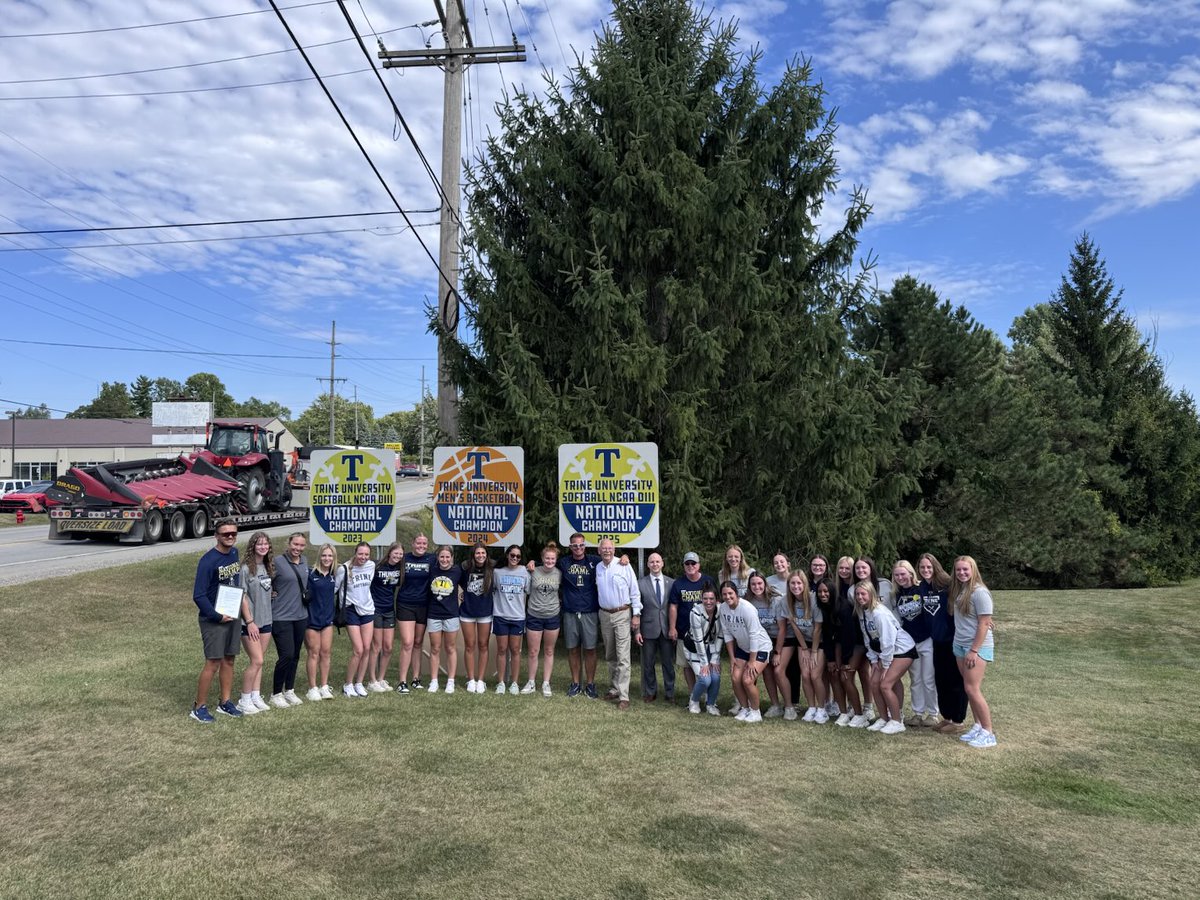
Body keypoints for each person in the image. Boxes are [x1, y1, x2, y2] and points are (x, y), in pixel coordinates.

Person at [189, 518, 243, 722]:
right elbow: (198, 595)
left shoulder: (235, 553)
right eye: (225, 534)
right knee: (213, 662)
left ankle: (225, 702)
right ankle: (199, 707)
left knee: (229, 659)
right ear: (216, 536)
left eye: (233, 534)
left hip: (232, 613)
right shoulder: (208, 561)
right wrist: (217, 616)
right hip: (214, 618)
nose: (230, 537)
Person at [856, 580, 917, 734]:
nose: (860, 597)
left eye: (863, 594)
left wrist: (886, 664)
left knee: (885, 684)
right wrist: (874, 660)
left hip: (902, 649)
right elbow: (868, 637)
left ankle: (897, 720)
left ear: (871, 595)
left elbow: (888, 640)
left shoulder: (879, 612)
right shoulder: (862, 611)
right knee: (874, 683)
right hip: (883, 653)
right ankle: (884, 718)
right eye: (857, 594)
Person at [950, 556, 997, 748]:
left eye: (965, 570)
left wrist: (974, 650)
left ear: (973, 570)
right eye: (958, 570)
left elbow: (984, 622)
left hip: (975, 648)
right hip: (960, 645)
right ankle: (978, 725)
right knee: (968, 687)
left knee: (972, 688)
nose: (961, 573)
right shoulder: (961, 590)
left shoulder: (980, 592)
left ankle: (988, 732)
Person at [918, 552, 967, 734]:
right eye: (922, 567)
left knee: (956, 681)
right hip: (936, 640)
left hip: (953, 639)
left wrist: (984, 619)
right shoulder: (923, 586)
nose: (925, 570)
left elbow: (968, 598)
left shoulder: (948, 584)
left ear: (935, 567)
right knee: (941, 680)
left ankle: (958, 720)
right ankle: (946, 717)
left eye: (929, 567)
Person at [596, 538, 641, 710]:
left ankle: (624, 696)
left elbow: (635, 592)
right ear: (599, 551)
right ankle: (614, 688)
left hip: (622, 613)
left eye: (609, 548)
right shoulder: (598, 567)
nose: (607, 551)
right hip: (605, 615)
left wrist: (636, 614)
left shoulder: (624, 565)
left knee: (623, 656)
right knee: (610, 654)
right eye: (603, 548)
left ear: (614, 550)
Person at [719, 580, 773, 723]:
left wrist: (752, 661)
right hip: (743, 648)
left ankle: (756, 712)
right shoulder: (723, 609)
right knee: (736, 678)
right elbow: (727, 634)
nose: (728, 597)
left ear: (736, 593)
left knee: (747, 680)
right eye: (724, 594)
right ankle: (744, 708)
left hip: (760, 647)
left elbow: (754, 635)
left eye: (730, 593)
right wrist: (731, 657)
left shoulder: (747, 608)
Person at [893, 559, 937, 727]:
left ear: (911, 573)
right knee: (915, 679)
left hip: (927, 639)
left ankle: (933, 714)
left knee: (928, 678)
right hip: (910, 643)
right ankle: (918, 713)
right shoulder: (896, 594)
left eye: (903, 574)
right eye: (897, 575)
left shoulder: (922, 588)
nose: (900, 577)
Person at [775, 570, 823, 723]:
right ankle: (811, 707)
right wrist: (804, 649)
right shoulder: (785, 601)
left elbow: (817, 628)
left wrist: (813, 651)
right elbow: (794, 626)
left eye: (798, 583)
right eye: (792, 583)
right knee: (805, 674)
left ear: (804, 584)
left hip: (819, 641)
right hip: (803, 642)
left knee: (814, 675)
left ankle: (821, 709)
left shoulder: (814, 599)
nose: (795, 586)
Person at [667, 552, 715, 701]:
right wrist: (672, 627)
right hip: (684, 632)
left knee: (705, 663)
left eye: (693, 563)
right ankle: (692, 694)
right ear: (684, 566)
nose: (690, 566)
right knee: (687, 666)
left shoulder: (707, 581)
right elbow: (673, 606)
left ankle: (708, 695)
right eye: (687, 564)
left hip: (706, 632)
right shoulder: (678, 583)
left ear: (698, 565)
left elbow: (715, 604)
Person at [270, 532, 310, 708]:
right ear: (289, 543)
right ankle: (276, 693)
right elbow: (264, 580)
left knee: (295, 655)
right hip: (281, 616)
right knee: (286, 654)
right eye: (295, 544)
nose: (298, 548)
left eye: (301, 545)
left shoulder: (305, 561)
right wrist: (271, 592)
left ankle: (290, 690)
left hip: (301, 615)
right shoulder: (277, 561)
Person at [237, 532, 275, 714]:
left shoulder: (268, 566)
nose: (262, 547)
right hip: (250, 623)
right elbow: (242, 596)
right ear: (253, 546)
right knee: (256, 660)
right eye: (259, 544)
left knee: (261, 660)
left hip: (266, 619)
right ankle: (243, 700)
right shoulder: (245, 568)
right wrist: (250, 621)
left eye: (265, 544)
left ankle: (255, 695)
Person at [395, 534, 437, 693]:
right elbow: (387, 564)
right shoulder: (404, 558)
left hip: (424, 605)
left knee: (418, 642)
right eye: (418, 542)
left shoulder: (432, 559)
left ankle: (416, 679)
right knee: (407, 642)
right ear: (412, 543)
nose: (421, 545)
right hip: (405, 604)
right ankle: (402, 681)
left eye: (424, 543)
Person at [336, 542, 375, 698]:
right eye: (360, 554)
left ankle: (359, 683)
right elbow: (334, 589)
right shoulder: (343, 569)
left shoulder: (371, 565)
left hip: (367, 610)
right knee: (358, 649)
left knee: (366, 648)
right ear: (355, 553)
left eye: (366, 554)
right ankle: (348, 684)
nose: (363, 557)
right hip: (351, 610)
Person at [525, 541, 563, 696]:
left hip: (552, 615)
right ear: (542, 558)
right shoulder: (533, 571)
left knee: (549, 650)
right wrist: (530, 565)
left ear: (556, 560)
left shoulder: (559, 573)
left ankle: (546, 683)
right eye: (547, 558)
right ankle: (531, 682)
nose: (550, 561)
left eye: (552, 559)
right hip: (534, 614)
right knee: (533, 651)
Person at [744, 572, 785, 718]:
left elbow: (782, 628)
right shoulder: (747, 601)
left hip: (776, 638)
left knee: (777, 671)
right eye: (753, 584)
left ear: (765, 584)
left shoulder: (776, 600)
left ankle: (785, 704)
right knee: (764, 671)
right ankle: (770, 705)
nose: (757, 587)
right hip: (759, 641)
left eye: (760, 583)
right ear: (749, 586)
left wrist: (778, 652)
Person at [637, 552, 675, 703]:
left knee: (668, 664)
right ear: (647, 564)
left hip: (666, 629)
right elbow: (637, 609)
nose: (655, 564)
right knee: (648, 663)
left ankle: (670, 693)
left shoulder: (672, 583)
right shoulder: (641, 583)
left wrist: (674, 628)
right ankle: (650, 691)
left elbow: (674, 607)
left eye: (657, 561)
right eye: (652, 562)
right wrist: (637, 631)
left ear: (662, 563)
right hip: (648, 629)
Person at [426, 546, 463, 693]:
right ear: (438, 557)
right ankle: (434, 681)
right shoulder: (432, 570)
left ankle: (450, 681)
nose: (445, 560)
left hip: (451, 614)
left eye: (447, 557)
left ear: (452, 558)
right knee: (435, 648)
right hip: (434, 614)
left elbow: (467, 584)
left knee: (450, 648)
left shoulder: (457, 571)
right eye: (442, 557)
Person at [367, 541, 404, 692]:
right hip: (375, 610)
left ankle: (381, 678)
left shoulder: (400, 569)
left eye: (401, 554)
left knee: (388, 647)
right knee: (376, 646)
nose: (398, 556)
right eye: (396, 553)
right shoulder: (376, 566)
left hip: (389, 610)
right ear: (389, 553)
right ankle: (371, 680)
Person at [492, 544, 529, 694]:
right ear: (507, 555)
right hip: (500, 615)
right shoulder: (497, 573)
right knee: (501, 649)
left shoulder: (525, 572)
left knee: (515, 650)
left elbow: (528, 590)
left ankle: (514, 683)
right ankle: (500, 682)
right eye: (512, 555)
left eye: (518, 556)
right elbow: (491, 589)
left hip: (518, 616)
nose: (514, 558)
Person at [459, 543, 495, 694]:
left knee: (483, 645)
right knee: (469, 645)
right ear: (473, 555)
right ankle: (471, 679)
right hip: (467, 612)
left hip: (485, 612)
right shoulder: (465, 568)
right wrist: (462, 594)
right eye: (477, 553)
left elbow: (512, 562)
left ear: (487, 554)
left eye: (483, 553)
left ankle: (481, 680)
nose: (480, 556)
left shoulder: (493, 568)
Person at [304, 544, 337, 700]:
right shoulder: (310, 574)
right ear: (319, 556)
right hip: (312, 620)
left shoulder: (334, 575)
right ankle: (312, 688)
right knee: (314, 653)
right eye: (324, 555)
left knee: (326, 653)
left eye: (330, 556)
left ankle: (324, 686)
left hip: (327, 620)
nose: (327, 558)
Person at [683, 586, 724, 715]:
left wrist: (715, 658)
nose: (708, 602)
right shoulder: (695, 612)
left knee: (715, 677)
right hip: (694, 648)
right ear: (701, 599)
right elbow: (698, 640)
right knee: (705, 679)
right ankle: (693, 701)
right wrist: (705, 663)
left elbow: (721, 635)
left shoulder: (721, 610)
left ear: (716, 599)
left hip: (711, 647)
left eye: (711, 598)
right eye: (705, 598)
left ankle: (711, 704)